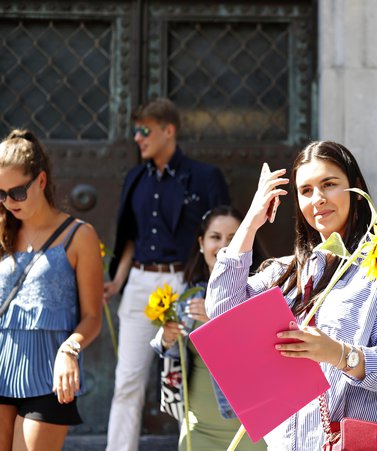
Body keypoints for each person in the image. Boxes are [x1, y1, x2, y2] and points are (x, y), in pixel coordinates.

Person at [205, 140, 377, 449]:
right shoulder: (284, 273)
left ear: (356, 187)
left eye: (329, 184)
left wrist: (338, 354)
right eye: (306, 190)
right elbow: (221, 314)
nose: (318, 199)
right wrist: (251, 222)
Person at [104, 98, 231, 451]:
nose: (137, 138)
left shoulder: (205, 177)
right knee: (127, 380)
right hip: (141, 283)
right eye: (135, 130)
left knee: (185, 379)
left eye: (145, 130)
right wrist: (117, 281)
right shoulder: (135, 178)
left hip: (184, 285)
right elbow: (130, 238)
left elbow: (223, 233)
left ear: (168, 130)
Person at [0, 130, 103, 450]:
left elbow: (92, 317)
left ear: (41, 181)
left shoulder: (79, 235)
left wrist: (69, 349)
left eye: (17, 192)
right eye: (0, 194)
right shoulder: (2, 231)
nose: (8, 202)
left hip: (49, 378)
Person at [151, 207, 266, 450]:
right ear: (202, 243)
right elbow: (173, 356)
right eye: (216, 237)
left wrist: (218, 322)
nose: (224, 246)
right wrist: (167, 339)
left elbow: (267, 358)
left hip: (252, 429)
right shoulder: (190, 295)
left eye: (234, 238)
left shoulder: (263, 291)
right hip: (198, 428)